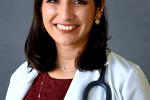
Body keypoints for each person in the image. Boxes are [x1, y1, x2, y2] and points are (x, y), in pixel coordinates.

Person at [5, 0, 150, 99]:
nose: (65, 15)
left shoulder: (128, 78)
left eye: (78, 1)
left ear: (99, 8)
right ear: (40, 7)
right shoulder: (21, 75)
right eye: (53, 0)